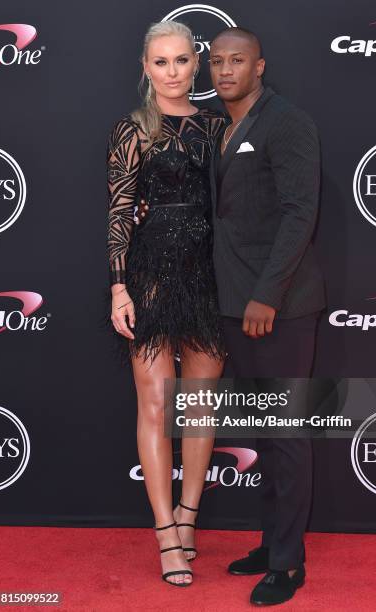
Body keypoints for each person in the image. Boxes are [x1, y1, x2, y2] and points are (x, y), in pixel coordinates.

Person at [208, 27, 326, 606]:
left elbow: (300, 211)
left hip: (277, 307)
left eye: (237, 60)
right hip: (234, 304)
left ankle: (288, 564)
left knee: (286, 434)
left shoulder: (287, 121)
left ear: (259, 67)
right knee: (264, 432)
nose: (225, 70)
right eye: (217, 61)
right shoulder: (220, 128)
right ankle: (272, 542)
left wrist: (268, 294)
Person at [106, 20, 226, 587]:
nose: (172, 72)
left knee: (200, 405)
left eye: (181, 61)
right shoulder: (132, 130)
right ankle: (164, 534)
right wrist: (118, 286)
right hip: (150, 278)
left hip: (209, 278)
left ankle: (189, 517)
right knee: (155, 404)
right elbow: (119, 210)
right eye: (161, 62)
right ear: (145, 68)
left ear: (195, 65)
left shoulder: (217, 126)